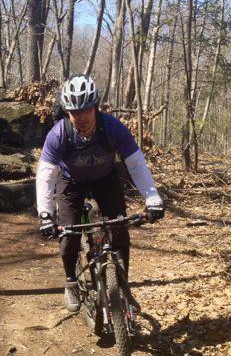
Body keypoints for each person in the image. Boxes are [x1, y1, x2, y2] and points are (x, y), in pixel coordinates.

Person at [36, 75, 165, 312]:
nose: (81, 117)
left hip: (105, 178)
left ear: (95, 107)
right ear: (67, 112)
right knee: (69, 235)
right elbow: (46, 175)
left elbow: (136, 164)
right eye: (75, 112)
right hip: (70, 181)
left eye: (86, 110)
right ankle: (71, 282)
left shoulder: (113, 128)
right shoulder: (59, 134)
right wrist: (45, 214)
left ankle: (123, 285)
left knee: (120, 232)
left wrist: (152, 197)